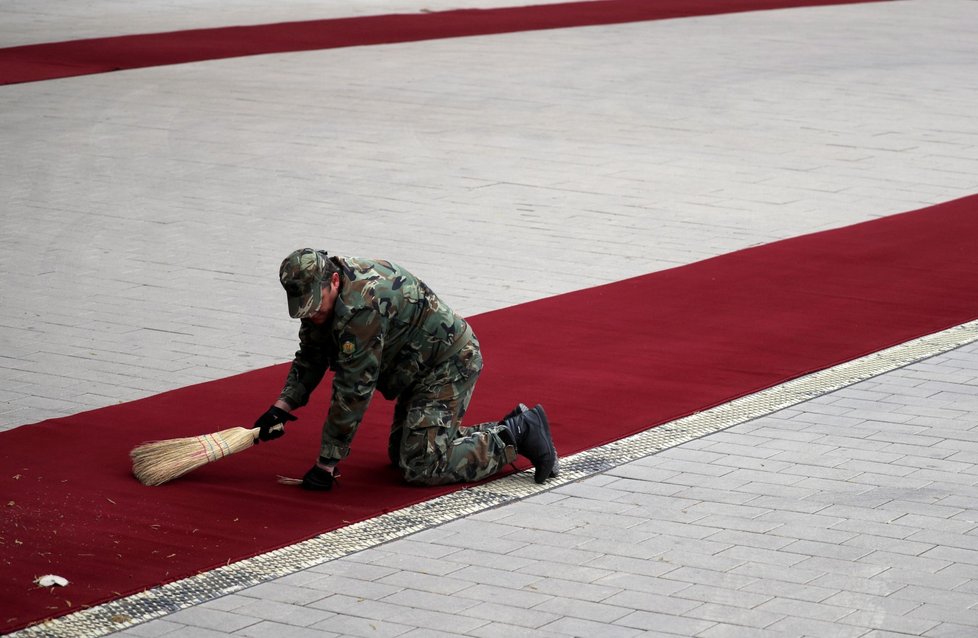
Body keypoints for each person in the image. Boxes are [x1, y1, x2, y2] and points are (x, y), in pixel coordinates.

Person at [254, 248, 558, 491]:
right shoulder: (322, 294)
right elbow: (311, 354)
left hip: (447, 364)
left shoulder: (362, 307)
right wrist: (282, 406)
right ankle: (520, 424)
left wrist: (326, 464)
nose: (313, 315)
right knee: (402, 455)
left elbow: (353, 389)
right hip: (417, 369)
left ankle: (513, 436)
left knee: (421, 465)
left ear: (333, 282)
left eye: (317, 308)